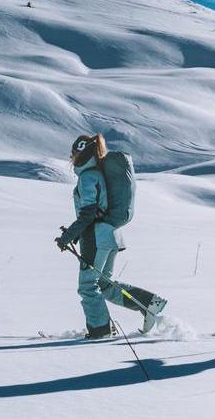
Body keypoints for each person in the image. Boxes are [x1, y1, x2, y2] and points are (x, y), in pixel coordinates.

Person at [53, 134, 168, 339]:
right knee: (105, 285)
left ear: (80, 153)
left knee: (88, 286)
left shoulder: (88, 177)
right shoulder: (97, 173)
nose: (70, 158)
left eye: (73, 153)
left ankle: (101, 330)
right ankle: (149, 302)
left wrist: (68, 236)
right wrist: (74, 234)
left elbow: (89, 213)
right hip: (110, 236)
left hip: (97, 239)